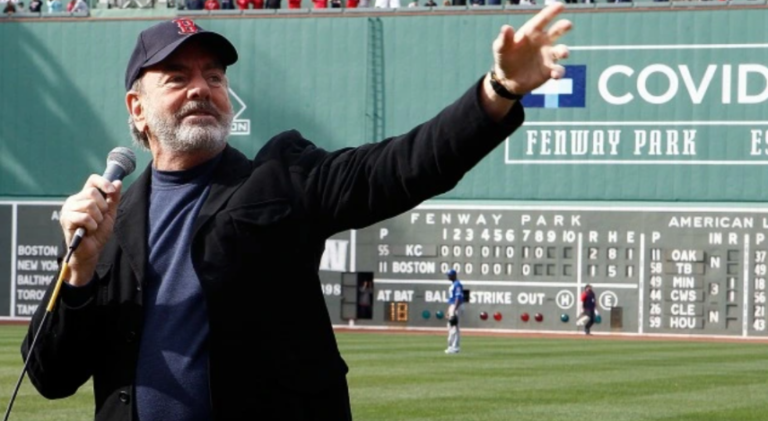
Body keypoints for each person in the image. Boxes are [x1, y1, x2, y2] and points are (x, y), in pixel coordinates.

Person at [21, 7, 572, 420]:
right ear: (136, 108)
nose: (202, 89)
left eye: (214, 76)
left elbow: (402, 166)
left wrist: (497, 92)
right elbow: (49, 376)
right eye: (177, 77)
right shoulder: (107, 224)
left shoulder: (280, 178)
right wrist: (81, 272)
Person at [444, 269, 464, 354]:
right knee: (450, 326)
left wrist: (454, 309)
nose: (448, 276)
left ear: (454, 275)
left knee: (454, 327)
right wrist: (449, 310)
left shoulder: (457, 284)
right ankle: (452, 346)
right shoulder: (453, 284)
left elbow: (458, 297)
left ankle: (454, 347)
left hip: (455, 306)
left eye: (450, 275)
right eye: (448, 275)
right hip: (452, 306)